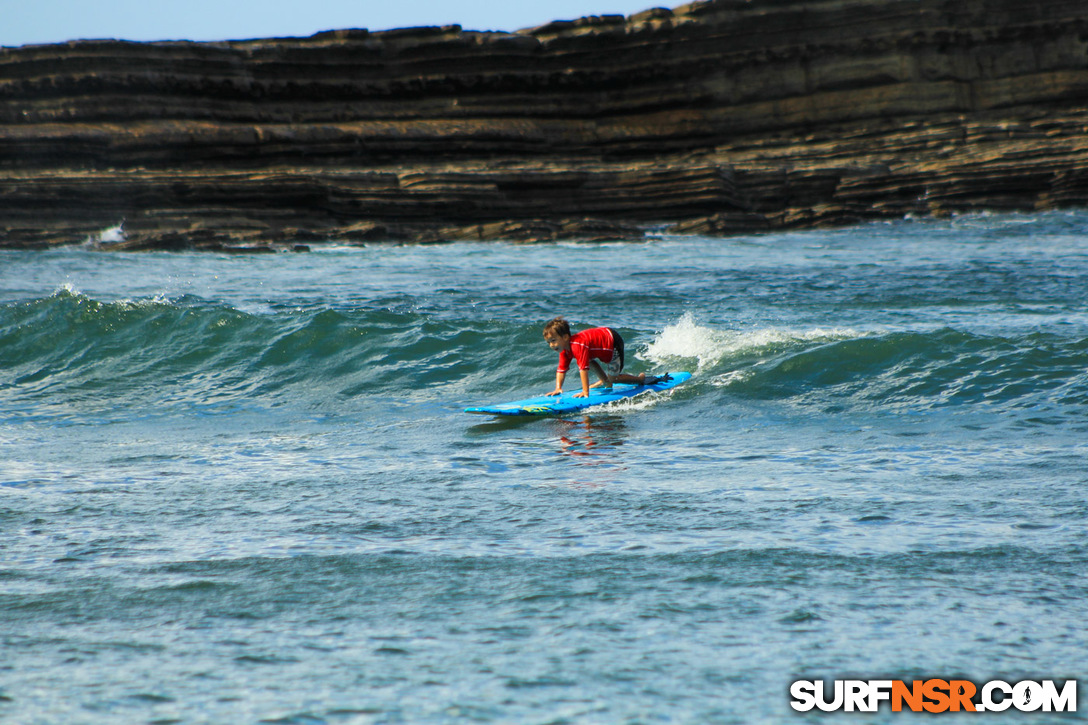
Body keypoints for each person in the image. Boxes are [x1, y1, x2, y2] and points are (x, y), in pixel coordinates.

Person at [543, 317, 659, 398]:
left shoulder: (578, 345)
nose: (551, 345)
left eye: (553, 341)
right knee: (590, 361)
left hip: (612, 341)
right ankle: (605, 381)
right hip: (602, 342)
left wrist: (585, 391)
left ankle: (640, 379)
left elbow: (583, 369)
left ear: (565, 337)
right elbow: (561, 370)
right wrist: (558, 388)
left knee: (614, 378)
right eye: (549, 342)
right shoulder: (564, 350)